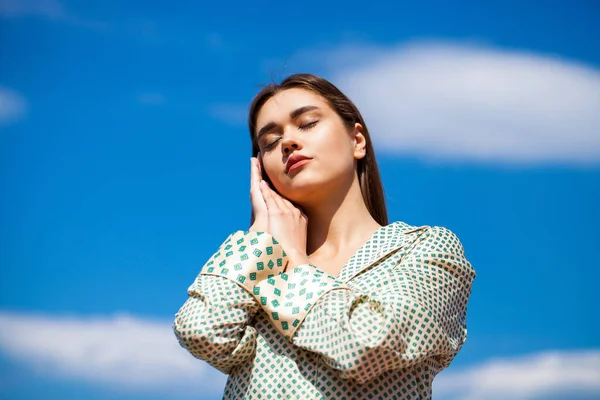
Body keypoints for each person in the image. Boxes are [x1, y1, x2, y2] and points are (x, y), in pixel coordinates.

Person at [173, 73, 476, 399]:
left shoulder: (425, 249)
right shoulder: (259, 265)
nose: (287, 142)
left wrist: (295, 265)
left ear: (357, 141)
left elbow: (368, 345)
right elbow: (202, 333)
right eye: (270, 143)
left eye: (306, 123)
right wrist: (261, 241)